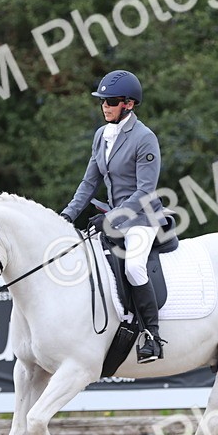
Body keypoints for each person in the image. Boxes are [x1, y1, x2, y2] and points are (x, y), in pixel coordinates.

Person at [60, 70, 166, 362]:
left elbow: (145, 191)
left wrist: (113, 218)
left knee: (134, 268)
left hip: (141, 219)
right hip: (113, 215)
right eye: (102, 101)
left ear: (128, 104)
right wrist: (66, 216)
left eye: (112, 101)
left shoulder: (145, 138)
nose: (105, 106)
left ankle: (153, 338)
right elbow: (89, 183)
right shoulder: (101, 136)